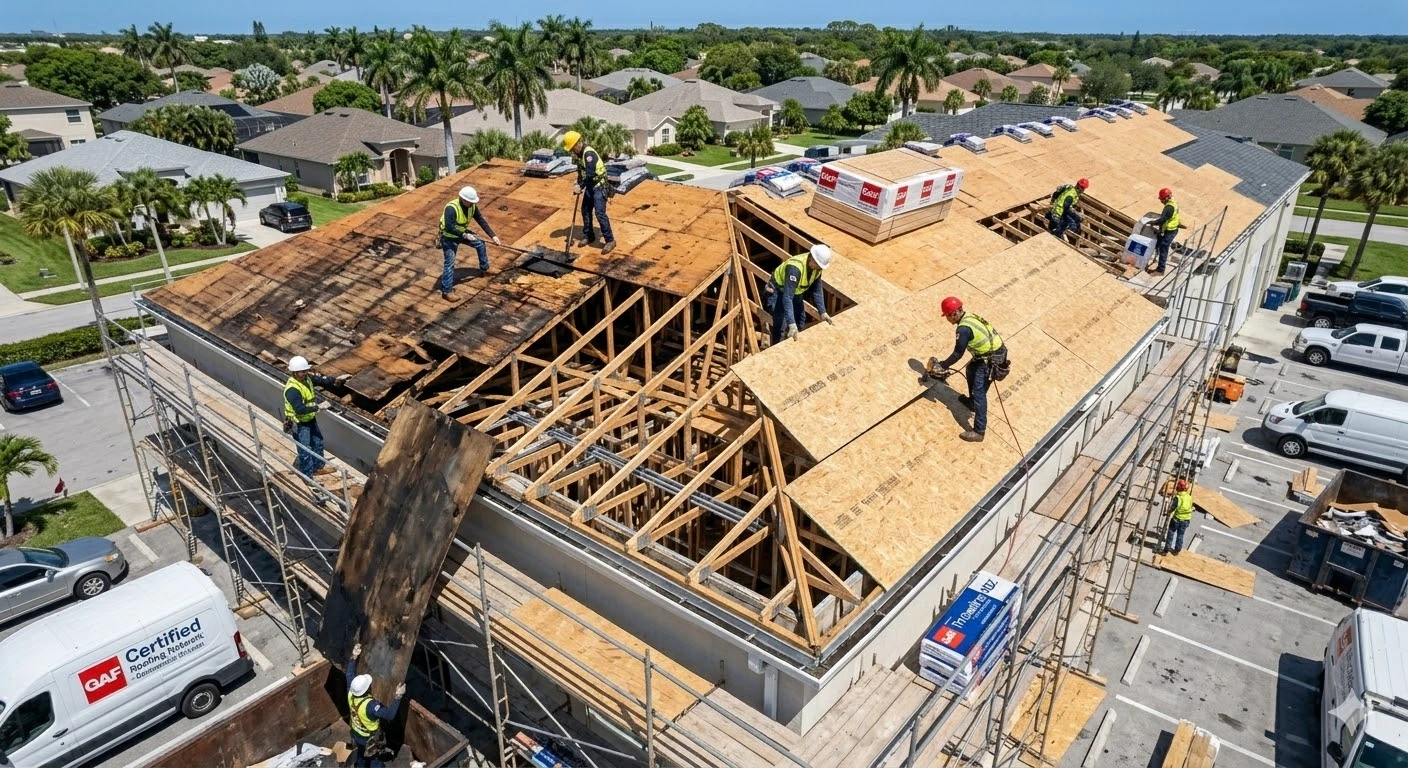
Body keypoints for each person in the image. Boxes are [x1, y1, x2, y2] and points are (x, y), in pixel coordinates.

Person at [929, 296, 1007, 443]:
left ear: (953, 314)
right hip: (993, 354)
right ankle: (971, 403)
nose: (947, 319)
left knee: (979, 394)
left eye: (947, 316)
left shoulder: (963, 329)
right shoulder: (970, 316)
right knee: (970, 369)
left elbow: (958, 353)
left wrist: (942, 365)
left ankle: (979, 431)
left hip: (989, 360)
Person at [284, 356, 349, 478]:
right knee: (305, 450)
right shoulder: (292, 389)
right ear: (294, 372)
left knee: (318, 442)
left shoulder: (307, 379)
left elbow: (321, 381)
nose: (305, 373)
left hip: (310, 419)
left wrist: (336, 380)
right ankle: (307, 476)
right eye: (302, 371)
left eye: (306, 370)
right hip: (299, 423)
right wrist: (318, 407)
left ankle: (318, 467)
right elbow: (300, 409)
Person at [346, 643, 406, 768]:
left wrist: (353, 657)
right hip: (369, 739)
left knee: (361, 756)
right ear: (367, 689)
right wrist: (398, 696)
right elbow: (389, 715)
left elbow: (349, 675)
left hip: (356, 735)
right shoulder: (370, 706)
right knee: (375, 760)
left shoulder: (351, 693)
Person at [438, 185, 502, 300]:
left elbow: (481, 220)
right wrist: (465, 235)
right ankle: (446, 291)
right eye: (470, 201)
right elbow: (449, 227)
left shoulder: (472, 206)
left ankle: (484, 269)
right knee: (450, 263)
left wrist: (493, 236)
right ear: (463, 199)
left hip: (462, 232)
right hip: (449, 238)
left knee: (480, 244)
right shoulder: (451, 208)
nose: (472, 204)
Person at [767, 244, 833, 344]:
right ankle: (778, 348)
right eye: (819, 265)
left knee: (800, 318)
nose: (820, 268)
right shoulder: (795, 268)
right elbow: (787, 297)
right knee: (781, 324)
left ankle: (795, 343)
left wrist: (822, 312)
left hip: (795, 292)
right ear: (812, 259)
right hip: (778, 290)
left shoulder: (817, 268)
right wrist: (791, 323)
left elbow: (817, 290)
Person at [562, 130, 615, 255]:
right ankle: (589, 235)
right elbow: (582, 172)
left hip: (599, 186)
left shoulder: (588, 154)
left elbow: (590, 174)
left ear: (576, 144)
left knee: (600, 213)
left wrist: (581, 186)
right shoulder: (580, 156)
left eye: (571, 148)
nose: (571, 151)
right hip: (590, 187)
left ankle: (610, 240)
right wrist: (578, 182)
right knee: (585, 209)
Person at [1149, 187, 1180, 275]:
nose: (1161, 201)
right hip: (1169, 229)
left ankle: (1160, 270)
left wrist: (1153, 222)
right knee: (1158, 244)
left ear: (1166, 198)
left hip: (1170, 231)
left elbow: (1163, 219)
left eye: (1162, 199)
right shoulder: (1173, 203)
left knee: (1163, 247)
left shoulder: (1169, 207)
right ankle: (1156, 260)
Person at [1162, 479, 1194, 555]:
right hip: (1186, 520)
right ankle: (1177, 550)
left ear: (1179, 488)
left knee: (1171, 533)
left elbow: (1173, 507)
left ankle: (1166, 550)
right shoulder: (1189, 497)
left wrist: (1167, 512)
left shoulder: (1178, 498)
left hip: (1177, 519)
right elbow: (1191, 506)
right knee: (1180, 535)